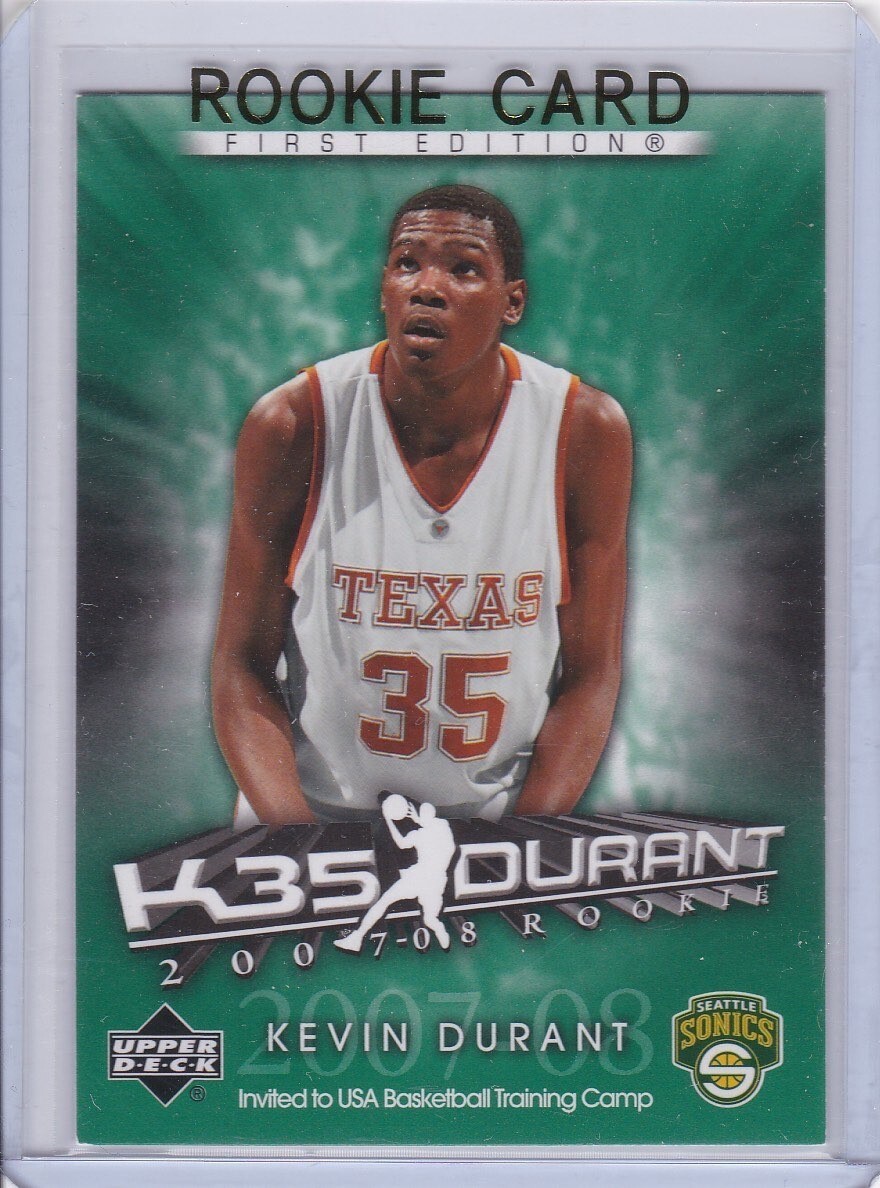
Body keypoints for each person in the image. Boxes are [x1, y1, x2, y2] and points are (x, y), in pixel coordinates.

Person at [211, 184, 632, 826]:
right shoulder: (295, 423)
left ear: (512, 301)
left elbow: (591, 674)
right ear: (384, 288)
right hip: (305, 817)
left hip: (495, 820)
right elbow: (240, 665)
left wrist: (523, 843)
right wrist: (296, 844)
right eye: (407, 263)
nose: (426, 288)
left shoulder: (583, 430)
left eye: (463, 269)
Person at [334, 792, 456, 953]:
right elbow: (433, 827)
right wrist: (419, 820)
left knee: (384, 902)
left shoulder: (419, 835)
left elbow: (401, 843)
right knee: (430, 919)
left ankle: (357, 938)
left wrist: (389, 819)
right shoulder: (444, 830)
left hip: (419, 877)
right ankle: (441, 932)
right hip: (436, 881)